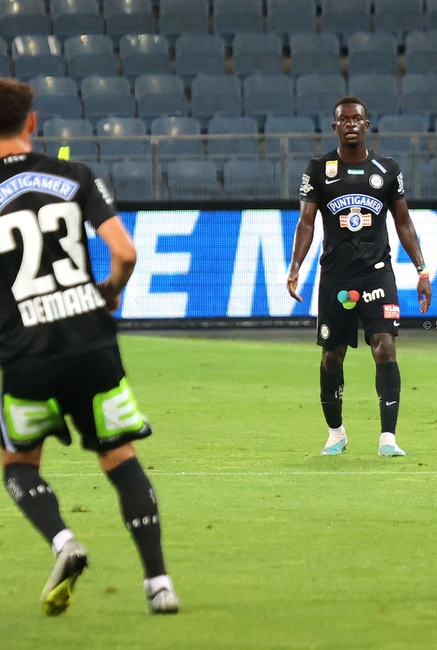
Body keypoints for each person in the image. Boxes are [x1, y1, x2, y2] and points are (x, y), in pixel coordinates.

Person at [0, 78, 178, 615]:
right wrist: (108, 292)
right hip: (91, 342)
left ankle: (62, 540)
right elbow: (124, 252)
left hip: (26, 350)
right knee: (120, 457)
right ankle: (159, 584)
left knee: (17, 463)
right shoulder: (73, 174)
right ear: (32, 124)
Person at [287, 96, 431, 457]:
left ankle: (388, 438)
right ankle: (336, 433)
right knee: (331, 356)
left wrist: (422, 269)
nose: (351, 124)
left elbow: (403, 222)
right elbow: (306, 223)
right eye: (344, 120)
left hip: (378, 275)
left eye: (357, 119)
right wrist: (295, 268)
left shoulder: (388, 169)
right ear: (335, 127)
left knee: (385, 346)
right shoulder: (319, 169)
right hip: (335, 278)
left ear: (367, 126)